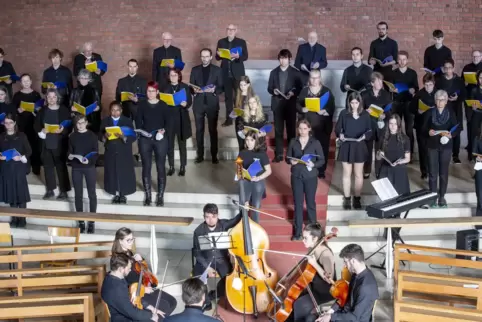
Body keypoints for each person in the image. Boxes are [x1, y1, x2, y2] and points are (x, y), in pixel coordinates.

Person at [111, 228, 177, 319]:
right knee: (164, 305)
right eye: (128, 240)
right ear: (120, 241)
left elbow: (142, 269)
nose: (131, 242)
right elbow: (122, 284)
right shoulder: (119, 259)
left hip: (143, 285)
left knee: (172, 301)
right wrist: (144, 289)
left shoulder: (129, 253)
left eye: (132, 239)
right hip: (135, 293)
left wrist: (141, 260)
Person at [192, 203, 242, 307]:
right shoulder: (198, 231)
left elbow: (236, 220)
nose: (210, 220)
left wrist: (243, 209)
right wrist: (207, 267)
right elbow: (196, 252)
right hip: (205, 260)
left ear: (218, 215)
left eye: (213, 217)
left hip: (221, 259)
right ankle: (206, 302)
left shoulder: (223, 224)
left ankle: (216, 294)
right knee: (199, 278)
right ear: (204, 217)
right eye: (207, 217)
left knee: (229, 278)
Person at [315, 244, 378, 322]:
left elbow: (355, 317)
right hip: (345, 314)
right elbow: (345, 298)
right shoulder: (356, 275)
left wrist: (331, 317)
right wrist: (330, 312)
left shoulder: (366, 287)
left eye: (345, 262)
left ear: (353, 261)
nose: (344, 265)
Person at [287, 119, 325, 240]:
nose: (302, 131)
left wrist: (313, 165)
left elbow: (322, 160)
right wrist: (291, 161)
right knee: (298, 204)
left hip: (310, 176)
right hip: (297, 175)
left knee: (310, 203)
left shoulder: (315, 143)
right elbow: (287, 158)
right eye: (300, 129)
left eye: (304, 128)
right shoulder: (293, 141)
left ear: (309, 129)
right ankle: (297, 233)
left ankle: (313, 232)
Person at [423, 90, 459, 208]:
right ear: (435, 100)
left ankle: (442, 196)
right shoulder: (429, 112)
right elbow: (422, 129)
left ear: (446, 101)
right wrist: (428, 131)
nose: (440, 102)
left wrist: (450, 135)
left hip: (446, 146)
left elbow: (457, 128)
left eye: (442, 100)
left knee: (443, 173)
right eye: (438, 99)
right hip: (432, 145)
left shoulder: (451, 112)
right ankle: (433, 196)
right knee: (433, 173)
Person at [291, 223, 335, 322]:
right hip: (314, 285)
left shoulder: (326, 254)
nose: (303, 240)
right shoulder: (313, 248)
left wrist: (314, 264)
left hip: (325, 291)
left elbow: (330, 280)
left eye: (305, 238)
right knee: (294, 296)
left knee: (299, 304)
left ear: (315, 239)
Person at [335, 93, 372, 210]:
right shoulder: (344, 114)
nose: (354, 105)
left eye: (356, 103)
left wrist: (364, 137)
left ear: (360, 103)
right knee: (346, 174)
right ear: (349, 103)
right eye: (352, 103)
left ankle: (357, 198)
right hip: (346, 145)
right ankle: (347, 199)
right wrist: (340, 135)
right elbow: (338, 128)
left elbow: (369, 131)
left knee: (358, 174)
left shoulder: (365, 115)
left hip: (359, 146)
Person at [297, 69, 335, 179]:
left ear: (320, 78)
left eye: (316, 77)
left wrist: (325, 111)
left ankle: (321, 170)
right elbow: (297, 104)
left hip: (322, 126)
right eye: (312, 77)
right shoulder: (304, 91)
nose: (314, 80)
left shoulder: (326, 91)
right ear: (309, 78)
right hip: (308, 126)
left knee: (323, 148)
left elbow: (332, 106)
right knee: (307, 148)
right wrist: (302, 109)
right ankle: (308, 168)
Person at [101, 253, 161, 322]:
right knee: (159, 317)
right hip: (124, 318)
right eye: (129, 268)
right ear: (121, 269)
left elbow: (131, 296)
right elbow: (132, 313)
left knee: (159, 312)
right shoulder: (116, 288)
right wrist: (151, 316)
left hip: (127, 313)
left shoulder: (113, 277)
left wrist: (150, 307)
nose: (130, 270)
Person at [34, 88, 71, 200]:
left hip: (59, 142)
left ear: (57, 98)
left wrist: (62, 130)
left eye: (54, 97)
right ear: (46, 98)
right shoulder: (42, 111)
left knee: (61, 166)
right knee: (47, 166)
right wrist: (41, 131)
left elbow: (69, 125)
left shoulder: (64, 110)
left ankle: (64, 191)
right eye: (49, 97)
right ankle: (50, 190)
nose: (51, 99)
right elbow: (36, 125)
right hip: (46, 142)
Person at [136, 81, 168, 206]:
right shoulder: (142, 105)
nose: (150, 93)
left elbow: (168, 123)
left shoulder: (163, 105)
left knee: (160, 167)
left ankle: (160, 196)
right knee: (146, 166)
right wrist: (142, 132)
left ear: (157, 92)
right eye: (148, 91)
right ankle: (148, 196)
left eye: (153, 91)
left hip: (160, 139)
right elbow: (138, 122)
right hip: (145, 138)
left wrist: (163, 131)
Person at [190, 48, 223, 164]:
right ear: (200, 57)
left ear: (211, 57)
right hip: (198, 103)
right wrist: (194, 90)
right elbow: (191, 87)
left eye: (206, 56)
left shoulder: (217, 70)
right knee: (199, 130)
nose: (204, 58)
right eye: (202, 56)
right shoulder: (194, 70)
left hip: (212, 103)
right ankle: (200, 155)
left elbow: (221, 87)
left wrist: (215, 90)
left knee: (212, 130)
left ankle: (214, 155)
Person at [99, 101, 136, 205]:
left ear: (121, 110)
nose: (115, 112)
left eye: (117, 110)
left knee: (123, 173)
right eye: (113, 110)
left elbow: (133, 136)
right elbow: (100, 136)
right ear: (110, 111)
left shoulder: (127, 121)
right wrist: (104, 136)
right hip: (110, 150)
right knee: (112, 172)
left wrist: (123, 137)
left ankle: (123, 194)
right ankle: (114, 193)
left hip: (123, 151)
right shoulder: (105, 121)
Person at [268, 49, 301, 162]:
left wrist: (293, 93)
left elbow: (300, 88)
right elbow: (269, 88)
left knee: (291, 130)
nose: (283, 60)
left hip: (290, 104)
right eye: (281, 58)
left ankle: (291, 155)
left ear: (289, 59)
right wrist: (274, 91)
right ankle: (279, 154)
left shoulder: (295, 72)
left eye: (285, 58)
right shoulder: (273, 72)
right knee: (278, 130)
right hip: (278, 103)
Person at [68, 114, 98, 234]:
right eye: (77, 123)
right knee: (78, 194)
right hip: (76, 167)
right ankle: (81, 221)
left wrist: (88, 160)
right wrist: (73, 156)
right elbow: (69, 153)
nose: (79, 125)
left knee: (92, 194)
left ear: (86, 123)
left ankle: (92, 221)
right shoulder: (72, 136)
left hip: (89, 167)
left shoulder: (92, 136)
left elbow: (95, 153)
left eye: (82, 123)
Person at [0, 113, 31, 228]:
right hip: (6, 168)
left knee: (21, 195)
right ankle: (14, 218)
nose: (8, 125)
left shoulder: (21, 136)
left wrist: (20, 157)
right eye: (6, 123)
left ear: (15, 123)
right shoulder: (1, 137)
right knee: (11, 194)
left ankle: (22, 219)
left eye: (10, 122)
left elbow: (28, 151)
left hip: (18, 168)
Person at [216, 24, 249, 127]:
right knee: (228, 97)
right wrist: (219, 54)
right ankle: (229, 119)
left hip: (238, 74)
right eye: (228, 29)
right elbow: (217, 58)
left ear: (236, 31)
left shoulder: (241, 42)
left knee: (239, 97)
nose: (230, 31)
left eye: (232, 29)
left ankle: (239, 120)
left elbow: (246, 56)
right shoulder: (221, 42)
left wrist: (238, 56)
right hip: (225, 73)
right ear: (226, 30)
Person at [361, 72, 392, 178]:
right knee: (367, 150)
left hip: (381, 125)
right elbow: (359, 110)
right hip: (368, 125)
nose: (380, 83)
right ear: (372, 83)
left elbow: (390, 110)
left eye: (381, 80)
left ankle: (379, 170)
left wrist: (385, 115)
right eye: (377, 81)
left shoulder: (386, 94)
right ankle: (367, 170)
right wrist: (366, 111)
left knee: (380, 149)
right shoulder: (365, 95)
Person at [237, 131, 272, 223]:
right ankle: (243, 226)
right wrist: (240, 174)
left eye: (251, 140)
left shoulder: (262, 154)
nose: (249, 142)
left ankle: (255, 227)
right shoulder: (242, 153)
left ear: (256, 141)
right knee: (242, 205)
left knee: (255, 207)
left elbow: (269, 171)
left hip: (257, 181)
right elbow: (238, 169)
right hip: (245, 181)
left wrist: (258, 178)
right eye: (247, 140)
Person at [436, 58, 466, 164]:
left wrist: (457, 98)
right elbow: (437, 94)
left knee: (456, 131)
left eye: (450, 68)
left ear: (453, 68)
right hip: (444, 108)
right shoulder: (439, 81)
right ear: (443, 69)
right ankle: (444, 152)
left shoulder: (459, 80)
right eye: (446, 68)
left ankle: (456, 155)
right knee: (444, 130)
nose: (448, 70)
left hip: (456, 108)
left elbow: (464, 94)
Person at [388, 51, 418, 156]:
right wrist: (392, 90)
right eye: (400, 59)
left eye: (404, 59)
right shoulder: (393, 73)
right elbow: (389, 88)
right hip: (396, 103)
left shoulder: (412, 73)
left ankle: (410, 152)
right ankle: (397, 150)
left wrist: (413, 90)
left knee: (409, 129)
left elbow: (416, 88)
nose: (402, 61)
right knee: (396, 127)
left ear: (407, 60)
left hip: (409, 103)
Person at [12, 74, 42, 175]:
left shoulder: (36, 94)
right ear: (20, 83)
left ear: (31, 81)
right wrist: (18, 110)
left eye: (27, 80)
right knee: (23, 146)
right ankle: (24, 168)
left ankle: (36, 167)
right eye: (23, 81)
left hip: (34, 123)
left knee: (34, 145)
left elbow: (40, 109)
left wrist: (37, 110)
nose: (26, 83)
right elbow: (13, 111)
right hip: (22, 124)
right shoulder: (17, 95)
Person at [164, 68, 192, 177]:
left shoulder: (184, 87)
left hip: (181, 118)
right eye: (171, 75)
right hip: (169, 119)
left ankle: (182, 167)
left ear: (179, 76)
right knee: (169, 144)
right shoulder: (165, 88)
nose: (173, 77)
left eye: (175, 75)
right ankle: (171, 166)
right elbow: (162, 103)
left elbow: (189, 101)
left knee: (182, 144)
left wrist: (186, 104)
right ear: (168, 77)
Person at [410, 73, 436, 179]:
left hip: (434, 126)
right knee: (423, 149)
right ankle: (424, 172)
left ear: (434, 84)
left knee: (433, 149)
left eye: (430, 85)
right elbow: (411, 108)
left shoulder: (438, 94)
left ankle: (433, 171)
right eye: (426, 85)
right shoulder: (419, 94)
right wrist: (418, 111)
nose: (428, 87)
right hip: (421, 126)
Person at [376, 114, 410, 194]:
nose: (393, 126)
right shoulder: (383, 137)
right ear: (388, 124)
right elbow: (378, 158)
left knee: (400, 196)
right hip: (385, 169)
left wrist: (399, 162)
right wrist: (379, 154)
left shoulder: (405, 138)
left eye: (395, 124)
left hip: (399, 169)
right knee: (386, 196)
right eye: (391, 124)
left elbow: (407, 158)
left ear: (398, 125)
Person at [462, 50, 482, 158]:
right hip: (470, 98)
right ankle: (471, 150)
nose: (475, 58)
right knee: (471, 125)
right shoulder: (467, 68)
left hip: (480, 97)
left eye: (477, 56)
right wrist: (464, 83)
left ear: (481, 56)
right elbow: (462, 81)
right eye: (473, 56)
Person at [70, 69, 101, 133]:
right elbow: (69, 105)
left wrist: (98, 108)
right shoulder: (74, 91)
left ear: (89, 79)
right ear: (79, 78)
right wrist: (72, 108)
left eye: (86, 78)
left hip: (91, 118)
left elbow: (99, 105)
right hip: (78, 119)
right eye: (82, 78)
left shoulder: (94, 90)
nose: (84, 80)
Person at [234, 76, 256, 151]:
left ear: (248, 85)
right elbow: (235, 109)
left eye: (244, 85)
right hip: (239, 122)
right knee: (240, 145)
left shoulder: (252, 96)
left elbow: (255, 110)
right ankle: (240, 163)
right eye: (241, 85)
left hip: (248, 123)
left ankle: (248, 162)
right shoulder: (237, 95)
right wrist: (235, 113)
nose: (242, 87)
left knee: (248, 145)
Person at [468, 70, 482, 159]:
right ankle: (473, 154)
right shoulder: (474, 90)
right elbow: (470, 102)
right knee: (473, 133)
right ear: (478, 79)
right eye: (481, 78)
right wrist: (473, 107)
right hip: (477, 113)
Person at [473, 130, 482, 229]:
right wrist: (478, 157)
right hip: (481, 167)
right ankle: (480, 226)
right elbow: (474, 154)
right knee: (480, 195)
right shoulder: (477, 139)